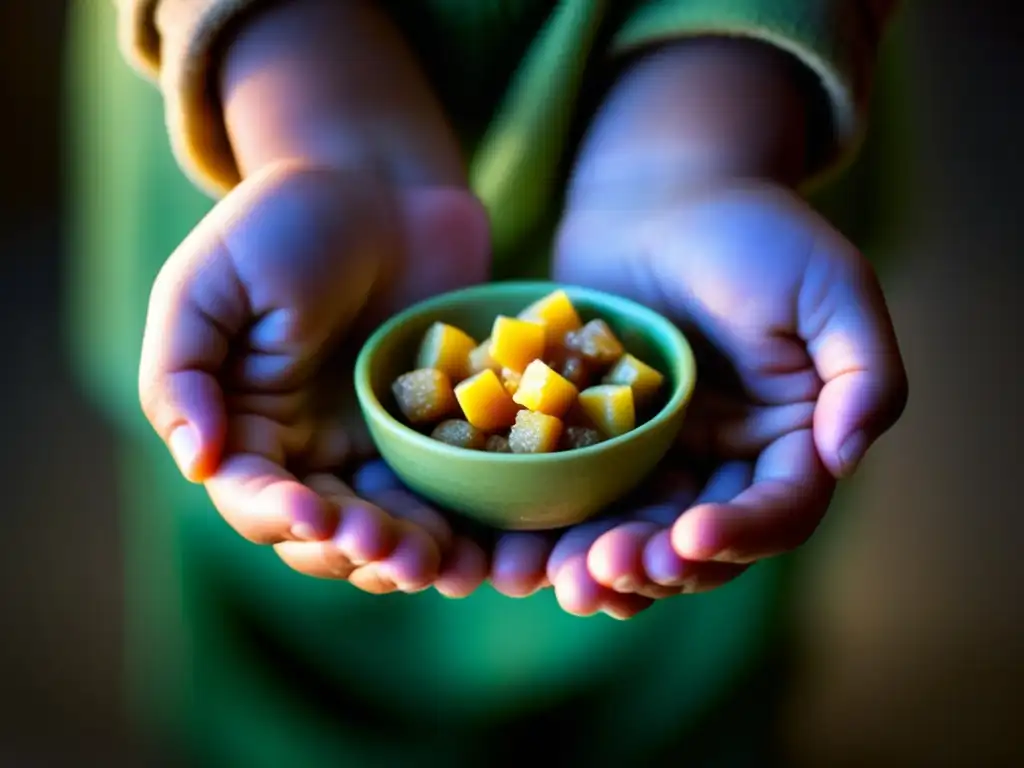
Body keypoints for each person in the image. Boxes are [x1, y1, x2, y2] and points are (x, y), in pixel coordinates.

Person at [69, 0, 907, 764]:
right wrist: (313, 105)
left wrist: (700, 144)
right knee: (288, 645)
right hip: (265, 133)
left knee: (688, 659)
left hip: (739, 138)